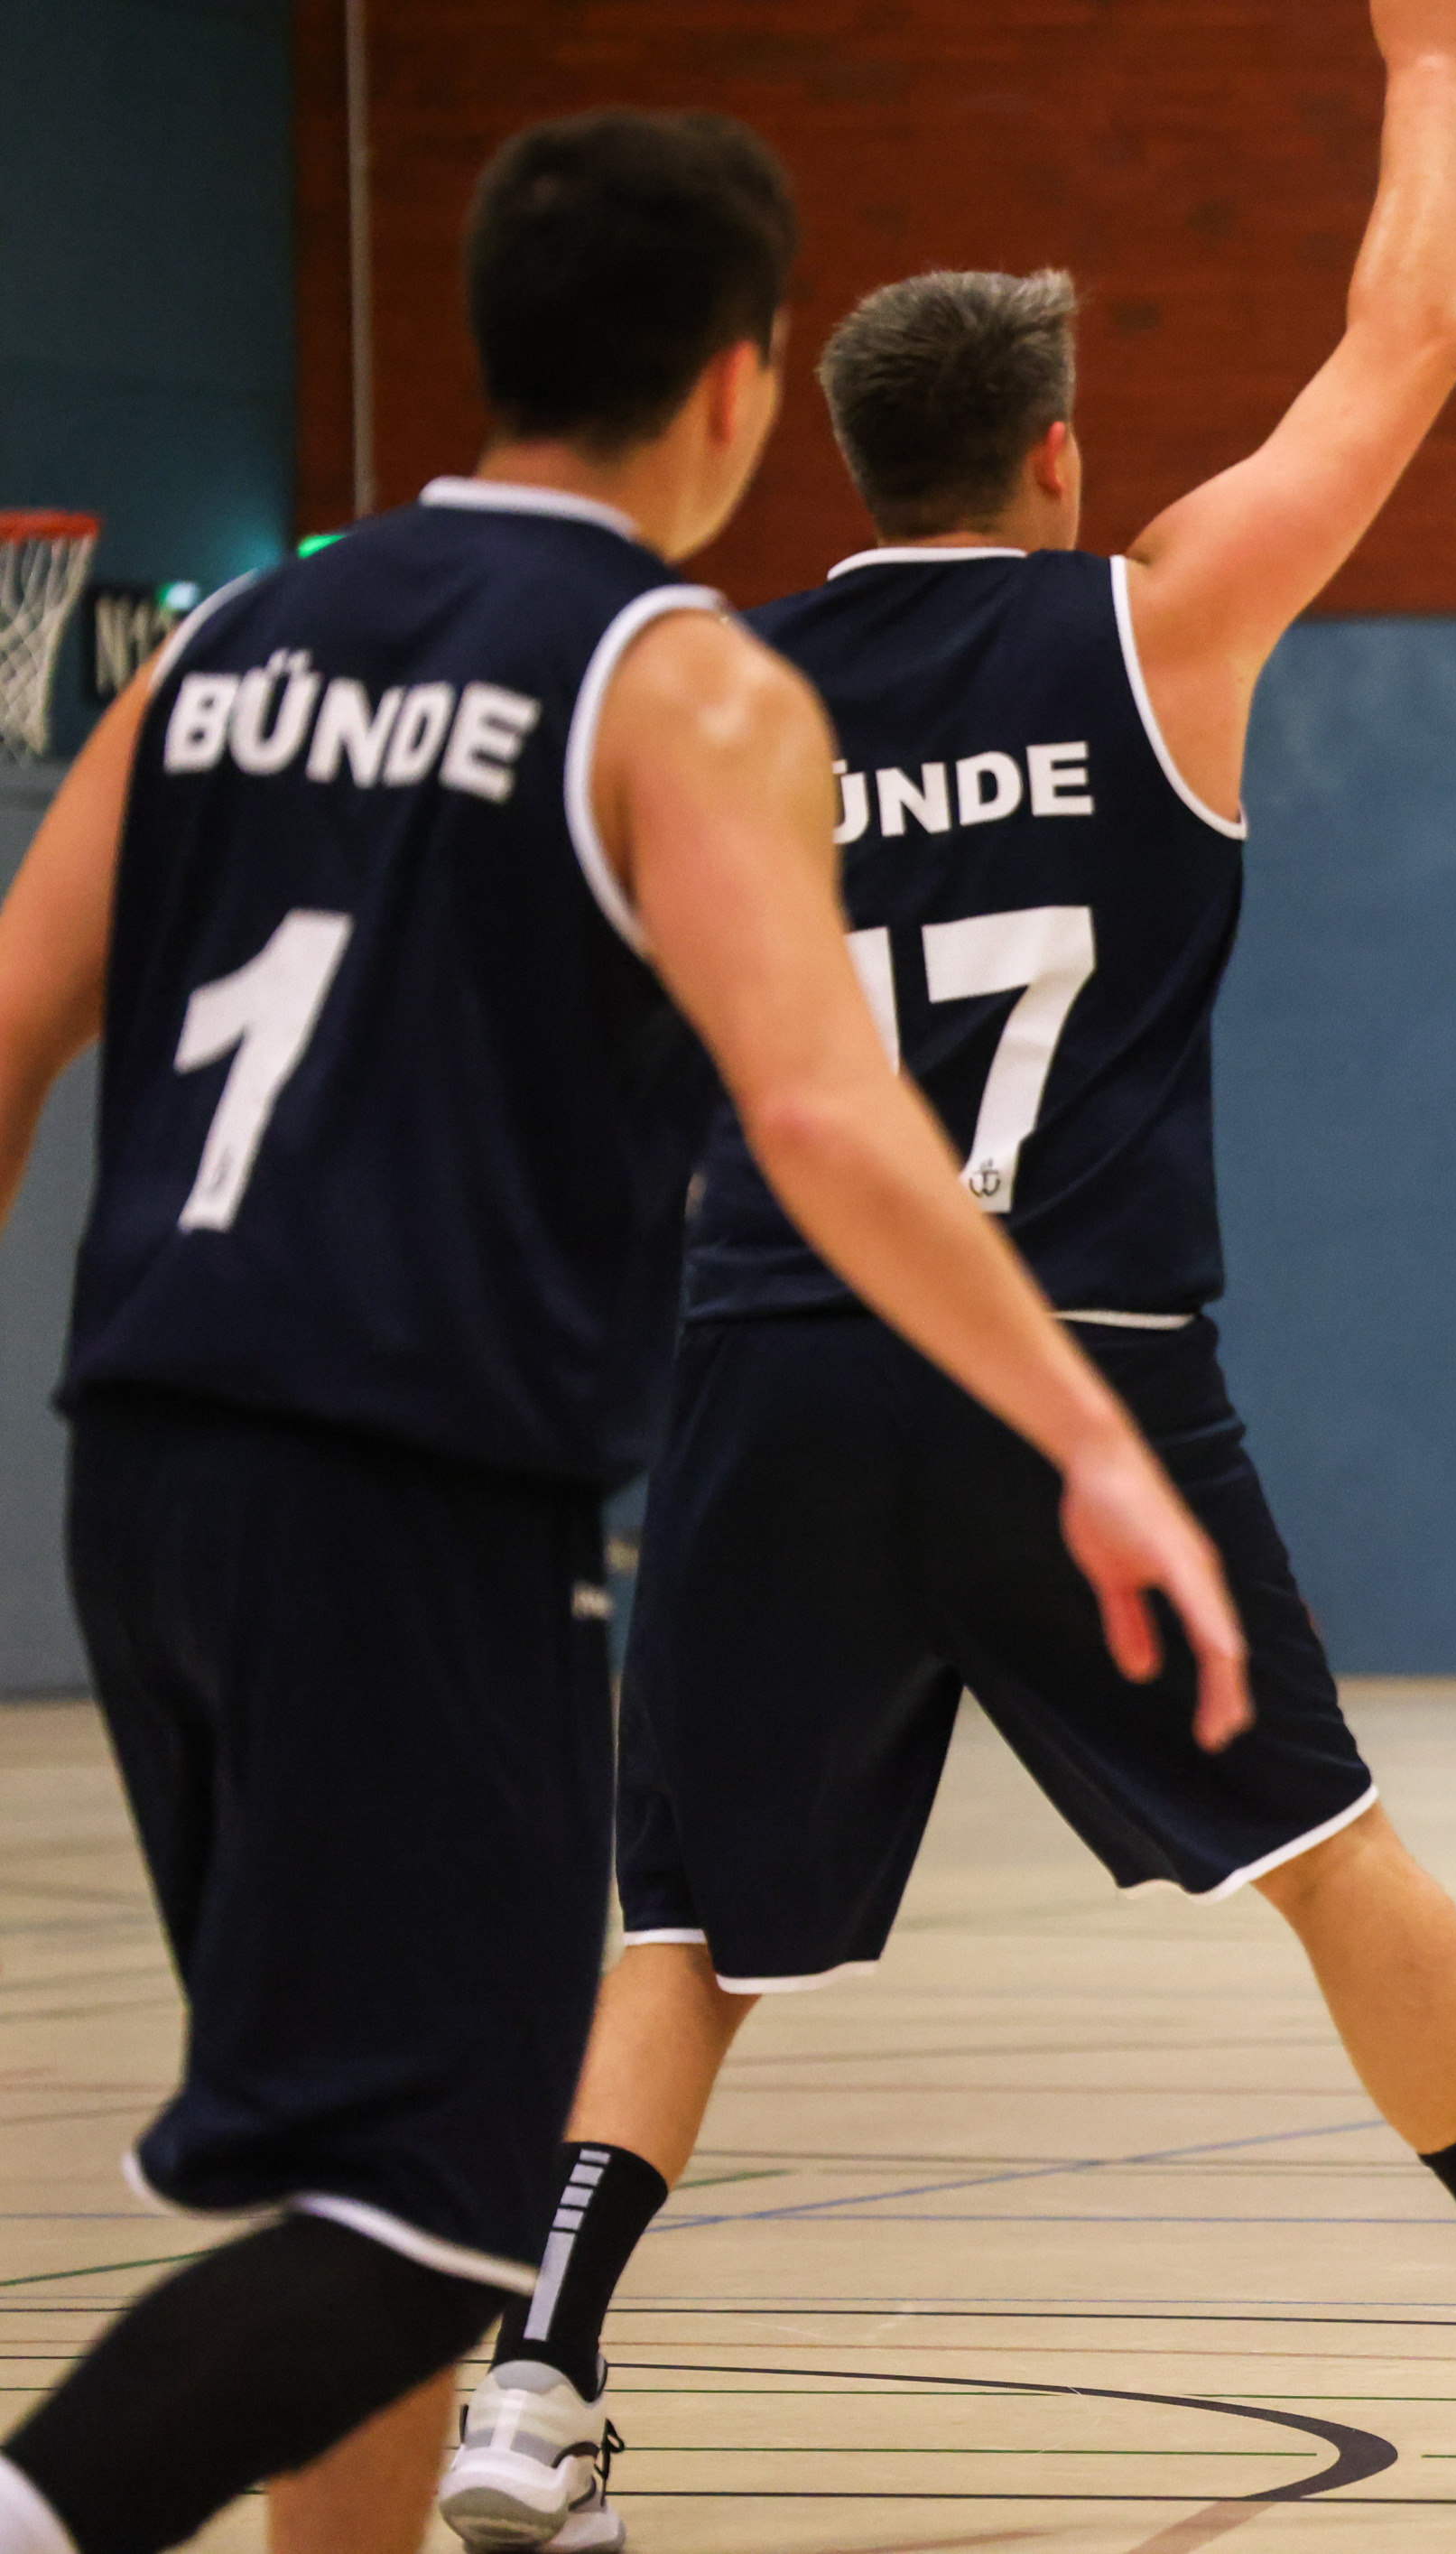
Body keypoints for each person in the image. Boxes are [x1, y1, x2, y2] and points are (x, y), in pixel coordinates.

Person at [436, 7, 1456, 2542]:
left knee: (683, 1922)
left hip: (774, 1362)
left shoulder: (708, 688)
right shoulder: (1154, 627)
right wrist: (1426, 62)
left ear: (844, 459)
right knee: (1328, 1849)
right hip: (1077, 1366)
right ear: (1054, 453)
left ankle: (533, 2384)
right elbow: (1410, 342)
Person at [0, 111, 1247, 2554]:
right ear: (738, 384)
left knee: (352, 2181)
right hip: (408, 1492)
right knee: (452, 2206)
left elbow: (15, 1025)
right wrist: (1090, 1434)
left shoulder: (221, 648)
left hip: (139, 1477)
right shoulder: (677, 682)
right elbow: (831, 1118)